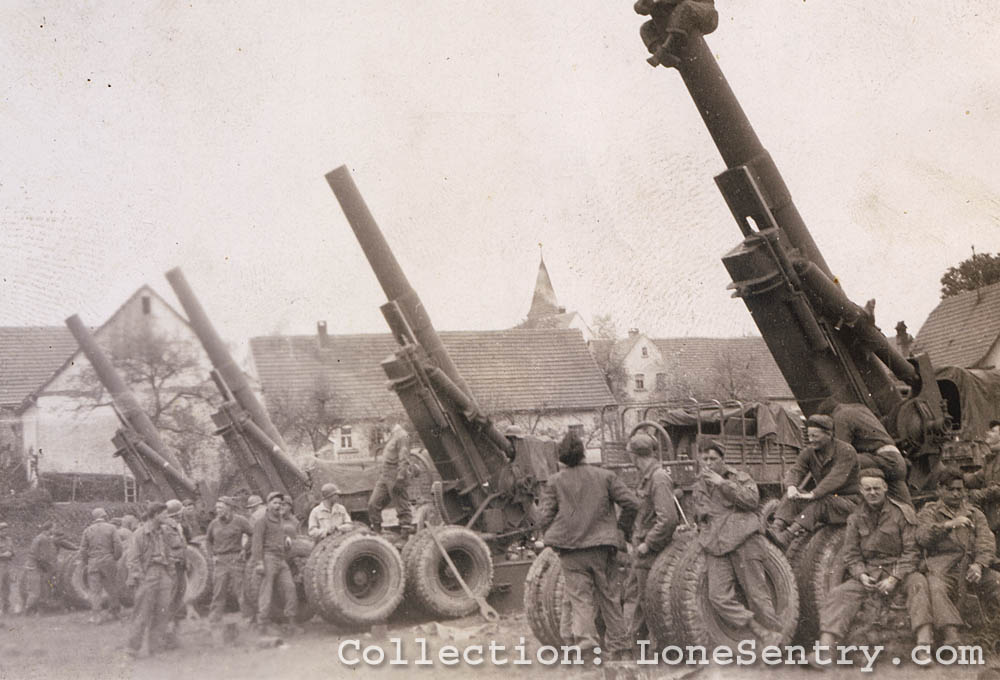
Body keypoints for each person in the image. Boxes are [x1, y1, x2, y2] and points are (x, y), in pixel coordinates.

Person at [537, 432, 638, 659]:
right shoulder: (605, 476)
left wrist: (552, 536)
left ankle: (587, 649)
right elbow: (632, 504)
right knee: (610, 597)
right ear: (584, 453)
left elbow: (544, 517)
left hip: (571, 551)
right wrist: (621, 529)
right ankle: (621, 649)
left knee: (580, 599)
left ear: (562, 457)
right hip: (603, 547)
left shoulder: (555, 481)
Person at [818, 468, 933, 655]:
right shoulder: (855, 518)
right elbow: (851, 554)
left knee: (919, 584)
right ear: (861, 491)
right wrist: (861, 575)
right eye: (868, 489)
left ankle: (923, 648)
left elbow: (912, 552)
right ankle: (824, 651)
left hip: (900, 571)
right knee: (839, 594)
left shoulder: (902, 513)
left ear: (885, 487)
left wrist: (894, 578)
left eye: (877, 488)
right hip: (870, 572)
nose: (872, 493)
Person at [693, 442, 781, 643]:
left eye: (713, 459)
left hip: (743, 539)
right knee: (718, 597)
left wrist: (722, 484)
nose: (708, 463)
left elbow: (752, 500)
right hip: (716, 545)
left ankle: (777, 638)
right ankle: (757, 629)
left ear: (722, 459)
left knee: (757, 595)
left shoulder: (738, 477)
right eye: (704, 459)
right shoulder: (699, 484)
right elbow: (701, 513)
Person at [916, 466, 1000, 646]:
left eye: (959, 489)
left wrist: (979, 564)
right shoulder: (929, 512)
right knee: (936, 588)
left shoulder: (974, 513)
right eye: (950, 489)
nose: (956, 494)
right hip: (942, 567)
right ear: (939, 490)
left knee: (997, 582)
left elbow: (986, 541)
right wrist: (948, 525)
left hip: (972, 566)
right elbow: (922, 537)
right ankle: (951, 637)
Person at [768, 414, 860, 548]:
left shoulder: (846, 451)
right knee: (794, 495)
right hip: (825, 499)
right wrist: (791, 487)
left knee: (823, 501)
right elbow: (796, 470)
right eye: (809, 436)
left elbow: (836, 477)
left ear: (829, 434)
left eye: (815, 436)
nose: (811, 440)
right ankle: (776, 529)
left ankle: (788, 536)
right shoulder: (809, 452)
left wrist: (813, 494)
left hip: (849, 503)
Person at [621, 432, 678, 646]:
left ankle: (658, 650)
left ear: (634, 456)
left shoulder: (658, 478)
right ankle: (636, 649)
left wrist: (648, 544)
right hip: (641, 551)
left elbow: (668, 519)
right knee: (635, 600)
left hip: (650, 553)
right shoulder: (648, 477)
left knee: (648, 602)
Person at [820, 399, 912, 505]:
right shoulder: (860, 408)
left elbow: (842, 450)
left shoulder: (839, 416)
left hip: (883, 459)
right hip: (896, 460)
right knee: (905, 507)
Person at [126, 503, 184, 657]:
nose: (167, 517)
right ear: (155, 515)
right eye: (164, 514)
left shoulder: (165, 532)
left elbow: (178, 546)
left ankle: (156, 648)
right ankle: (132, 649)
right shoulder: (140, 533)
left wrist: (176, 528)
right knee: (142, 613)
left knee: (162, 612)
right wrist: (141, 578)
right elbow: (132, 559)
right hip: (148, 574)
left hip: (164, 573)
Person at [251, 491, 298, 633]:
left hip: (281, 559)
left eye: (280, 503)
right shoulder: (262, 522)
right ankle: (262, 624)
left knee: (290, 588)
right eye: (275, 503)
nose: (278, 506)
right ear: (268, 504)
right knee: (266, 590)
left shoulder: (281, 521)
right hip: (268, 558)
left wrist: (286, 540)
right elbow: (257, 543)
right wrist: (259, 562)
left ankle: (291, 622)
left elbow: (281, 535)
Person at [205, 496, 253, 625]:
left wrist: (245, 549)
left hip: (236, 559)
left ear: (229, 508)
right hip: (220, 560)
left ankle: (248, 619)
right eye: (217, 508)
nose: (218, 510)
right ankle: (214, 621)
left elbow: (252, 534)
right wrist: (212, 556)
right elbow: (208, 541)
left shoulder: (240, 521)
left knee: (241, 591)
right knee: (218, 592)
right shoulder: (213, 524)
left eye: (220, 507)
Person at [79, 507, 124, 622]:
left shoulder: (87, 530)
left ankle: (96, 616)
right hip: (108, 561)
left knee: (95, 591)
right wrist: (114, 558)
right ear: (104, 516)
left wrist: (87, 561)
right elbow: (118, 546)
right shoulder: (112, 528)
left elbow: (83, 550)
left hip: (93, 562)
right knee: (112, 587)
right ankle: (115, 613)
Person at [367, 423, 414, 533]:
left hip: (395, 474)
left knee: (402, 506)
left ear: (393, 421)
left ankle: (405, 535)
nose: (383, 426)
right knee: (373, 504)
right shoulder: (392, 436)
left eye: (385, 422)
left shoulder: (402, 436)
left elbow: (404, 458)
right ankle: (377, 533)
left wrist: (401, 477)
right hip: (385, 475)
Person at [22, 521, 76, 615]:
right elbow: (43, 556)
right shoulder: (44, 539)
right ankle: (26, 612)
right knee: (37, 591)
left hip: (38, 567)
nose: (54, 530)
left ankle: (41, 610)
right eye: (53, 528)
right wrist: (49, 568)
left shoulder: (41, 538)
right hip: (37, 567)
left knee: (45, 587)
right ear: (49, 529)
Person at [965, 420, 1000, 536]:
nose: (987, 433)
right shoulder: (990, 460)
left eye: (993, 431)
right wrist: (956, 476)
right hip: (994, 519)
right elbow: (976, 479)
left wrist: (979, 494)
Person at [162, 499, 190, 644]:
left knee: (179, 592)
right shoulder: (167, 527)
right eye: (180, 513)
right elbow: (176, 544)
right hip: (172, 565)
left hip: (179, 564)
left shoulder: (175, 526)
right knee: (172, 594)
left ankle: (176, 621)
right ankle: (166, 625)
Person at [0, 522, 13, 616]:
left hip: (7, 565)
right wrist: (3, 554)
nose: (5, 531)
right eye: (3, 530)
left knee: (7, 588)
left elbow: (12, 551)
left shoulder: (9, 540)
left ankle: (6, 608)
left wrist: (10, 553)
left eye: (6, 529)